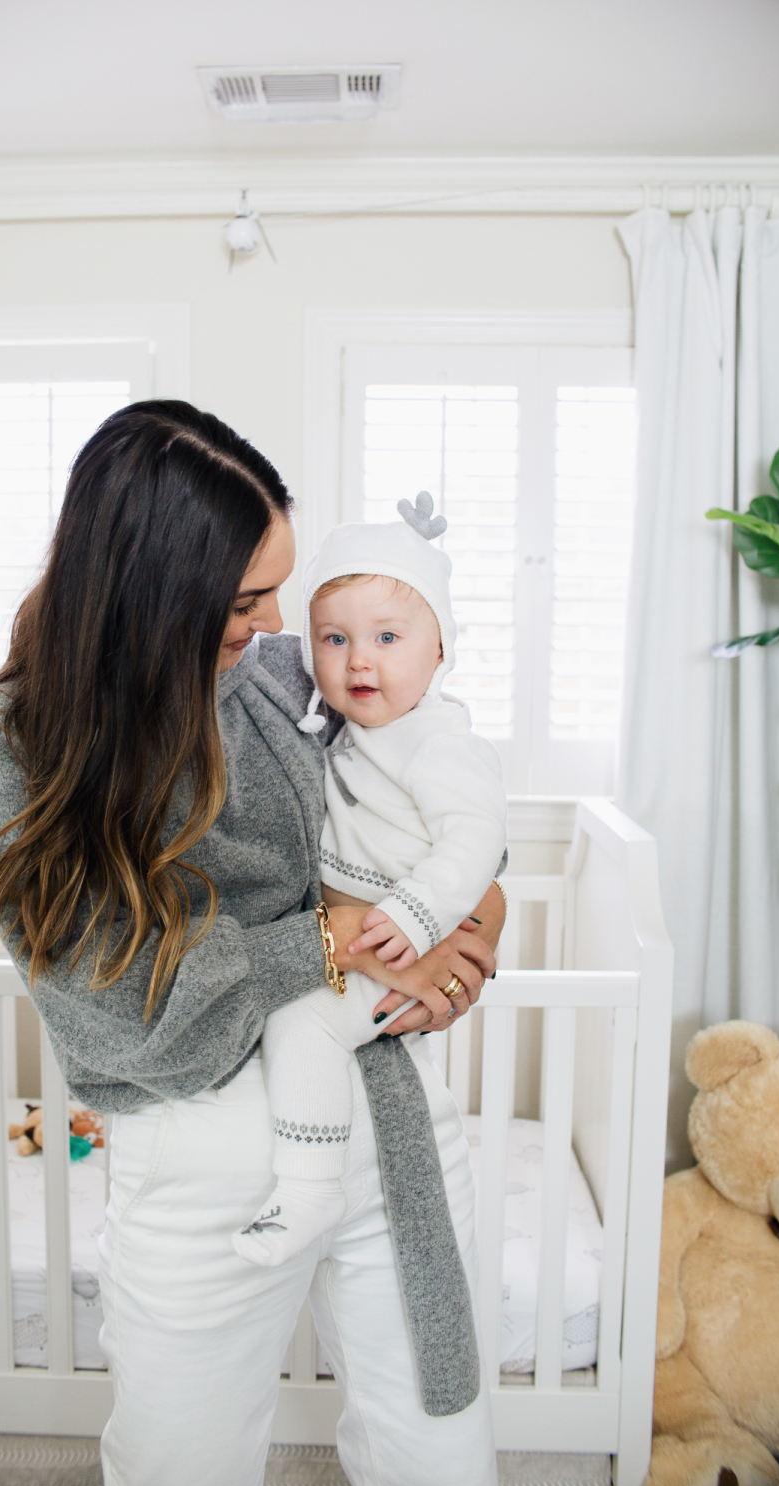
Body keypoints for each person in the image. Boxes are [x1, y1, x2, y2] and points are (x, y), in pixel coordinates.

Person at [0, 400, 505, 1486]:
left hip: (381, 1107)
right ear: (158, 584)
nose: (277, 625)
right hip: (205, 1153)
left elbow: (433, 808)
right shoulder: (11, 739)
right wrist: (337, 935)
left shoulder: (291, 676)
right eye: (246, 600)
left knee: (440, 1454)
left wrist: (477, 930)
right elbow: (114, 997)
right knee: (178, 1473)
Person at [232, 497, 508, 1269]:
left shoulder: (440, 743)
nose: (359, 660)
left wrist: (418, 917)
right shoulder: (352, 732)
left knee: (304, 1026)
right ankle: (311, 1181)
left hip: (391, 938)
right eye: (335, 639)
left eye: (388, 638)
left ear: (440, 650)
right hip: (363, 937)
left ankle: (309, 1184)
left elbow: (477, 840)